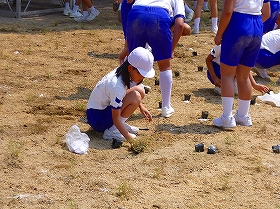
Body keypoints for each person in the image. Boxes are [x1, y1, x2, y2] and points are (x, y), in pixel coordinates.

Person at [124, 0, 186, 118]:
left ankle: (125, 101)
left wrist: (127, 46)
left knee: (133, 62)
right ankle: (166, 107)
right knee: (165, 65)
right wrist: (171, 49)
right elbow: (180, 24)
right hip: (158, 17)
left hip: (135, 14)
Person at [86, 47, 155, 144]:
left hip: (101, 110)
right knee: (136, 96)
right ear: (130, 68)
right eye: (140, 73)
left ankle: (116, 127)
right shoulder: (117, 86)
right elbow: (116, 118)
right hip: (97, 119)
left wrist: (140, 106)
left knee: (140, 90)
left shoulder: (124, 70)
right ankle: (112, 131)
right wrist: (131, 140)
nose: (142, 77)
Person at [213, 0, 264, 128]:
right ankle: (243, 116)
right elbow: (267, 12)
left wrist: (219, 34)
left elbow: (228, 11)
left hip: (238, 23)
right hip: (257, 25)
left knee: (227, 75)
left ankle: (227, 118)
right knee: (244, 76)